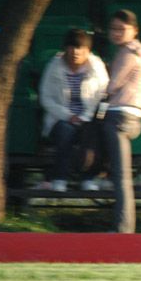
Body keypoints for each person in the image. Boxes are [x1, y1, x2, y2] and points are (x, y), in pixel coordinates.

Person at [39, 29, 109, 192]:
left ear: (88, 51)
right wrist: (68, 116)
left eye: (81, 48)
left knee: (91, 134)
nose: (76, 52)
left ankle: (88, 178)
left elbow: (103, 94)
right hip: (60, 118)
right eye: (72, 47)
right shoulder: (53, 67)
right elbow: (45, 97)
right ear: (65, 48)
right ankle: (59, 178)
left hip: (88, 118)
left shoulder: (97, 68)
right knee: (64, 131)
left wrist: (84, 117)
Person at [104, 9, 141, 233]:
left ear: (135, 31)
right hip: (135, 116)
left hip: (119, 116)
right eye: (113, 29)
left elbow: (111, 86)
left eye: (122, 29)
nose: (116, 33)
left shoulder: (127, 53)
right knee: (122, 175)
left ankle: (123, 229)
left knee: (121, 177)